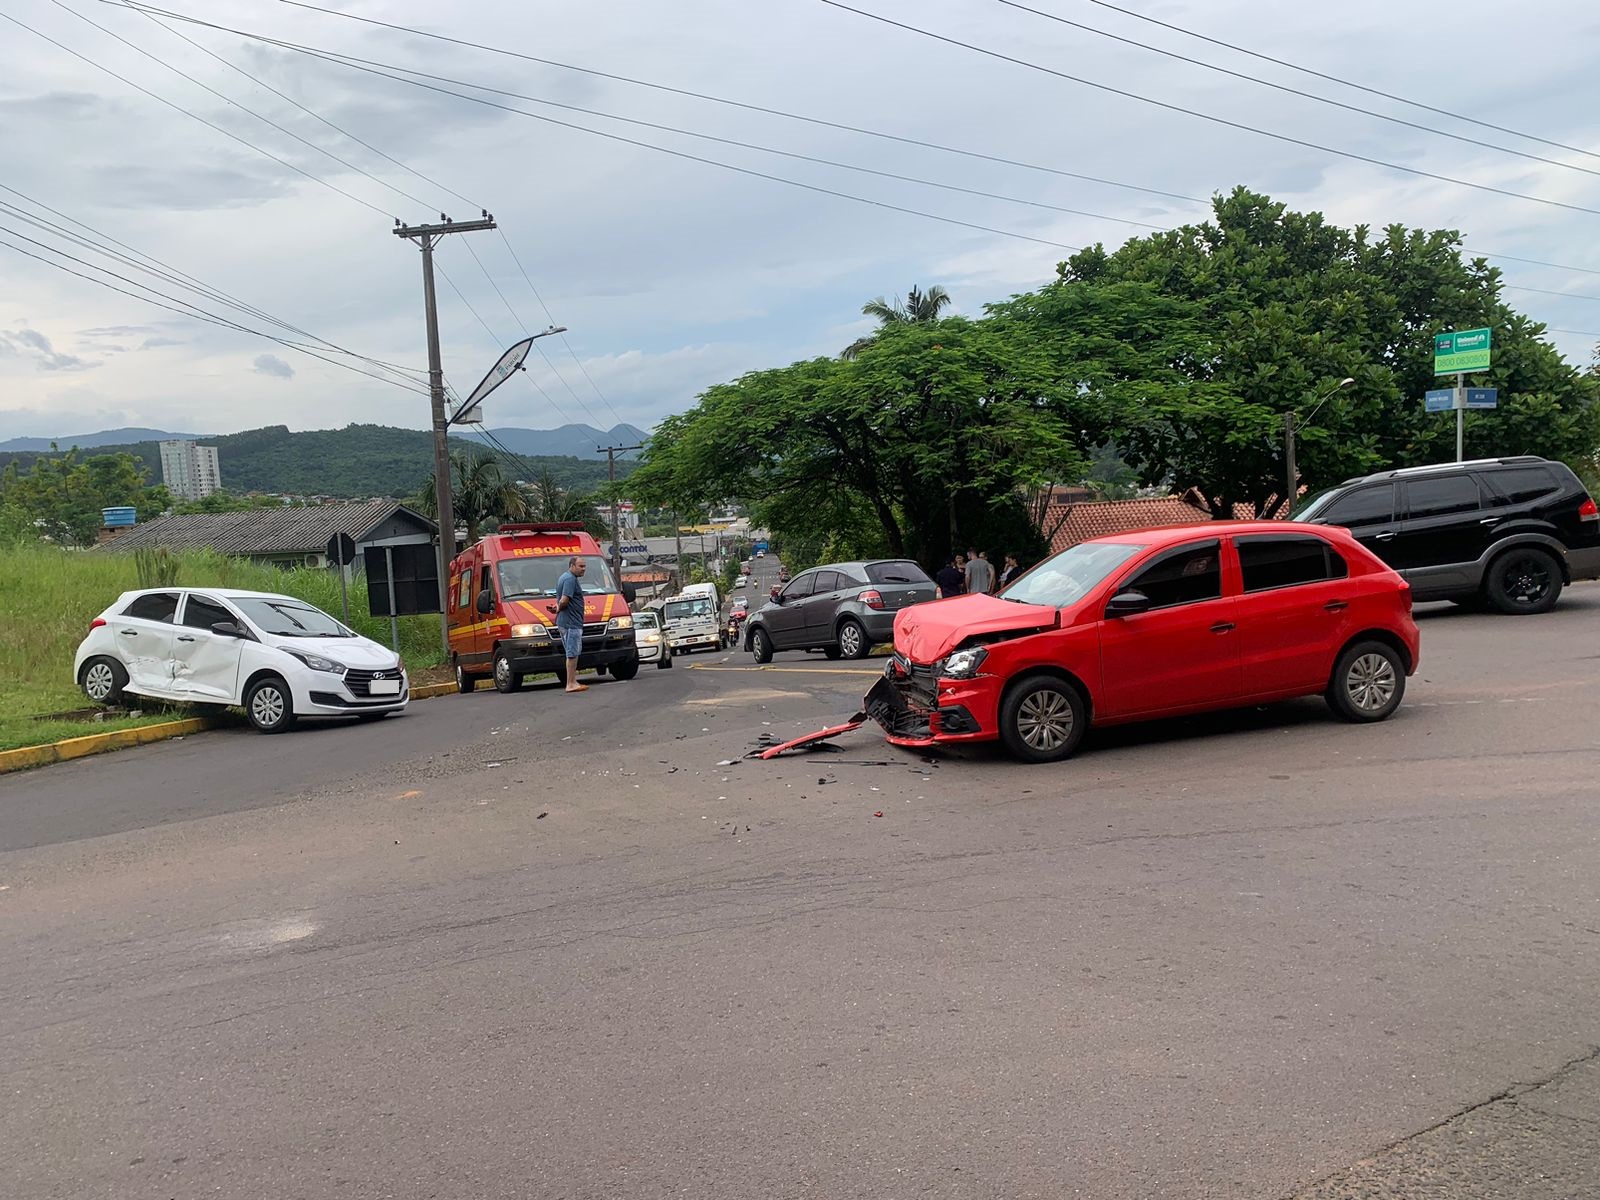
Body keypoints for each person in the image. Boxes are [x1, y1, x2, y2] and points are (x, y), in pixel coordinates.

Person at [554, 555, 588, 694]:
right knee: (572, 653)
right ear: (572, 566)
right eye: (580, 566)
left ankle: (573, 681)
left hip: (568, 621)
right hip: (571, 623)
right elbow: (564, 600)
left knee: (572, 652)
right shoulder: (569, 579)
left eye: (584, 566)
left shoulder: (565, 577)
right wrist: (558, 608)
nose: (583, 569)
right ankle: (570, 683)